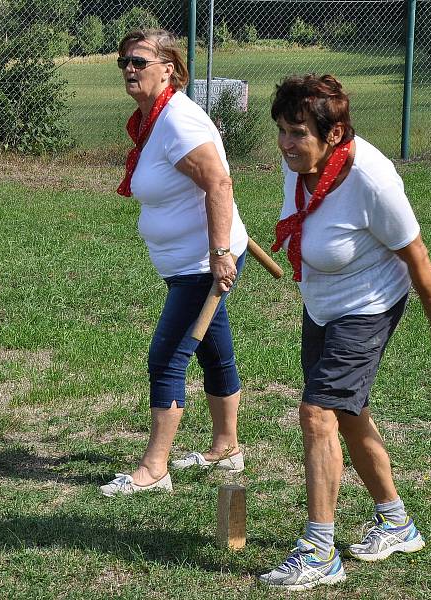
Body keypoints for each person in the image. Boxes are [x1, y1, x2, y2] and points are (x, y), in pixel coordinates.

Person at [257, 74, 431, 589]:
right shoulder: (300, 165)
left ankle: (319, 550)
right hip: (323, 304)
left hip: (369, 305)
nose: (286, 144)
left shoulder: (370, 178)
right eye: (282, 131)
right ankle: (397, 522)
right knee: (347, 416)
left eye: (298, 133)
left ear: (333, 134)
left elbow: (414, 253)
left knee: (316, 412)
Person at [100, 29, 249, 497]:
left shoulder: (179, 121)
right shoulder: (155, 119)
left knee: (167, 357)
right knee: (211, 350)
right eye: (124, 60)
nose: (129, 68)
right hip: (186, 262)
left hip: (202, 265)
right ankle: (227, 448)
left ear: (169, 69)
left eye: (140, 61)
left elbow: (219, 183)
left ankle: (154, 467)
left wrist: (221, 253)